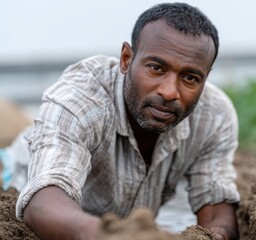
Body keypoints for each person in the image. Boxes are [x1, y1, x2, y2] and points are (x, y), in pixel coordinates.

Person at [3, 2, 240, 240]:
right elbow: (42, 204)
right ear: (126, 59)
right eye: (156, 68)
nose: (169, 92)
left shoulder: (214, 115)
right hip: (19, 182)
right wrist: (115, 237)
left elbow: (216, 206)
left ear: (205, 78)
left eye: (190, 77)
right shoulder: (81, 98)